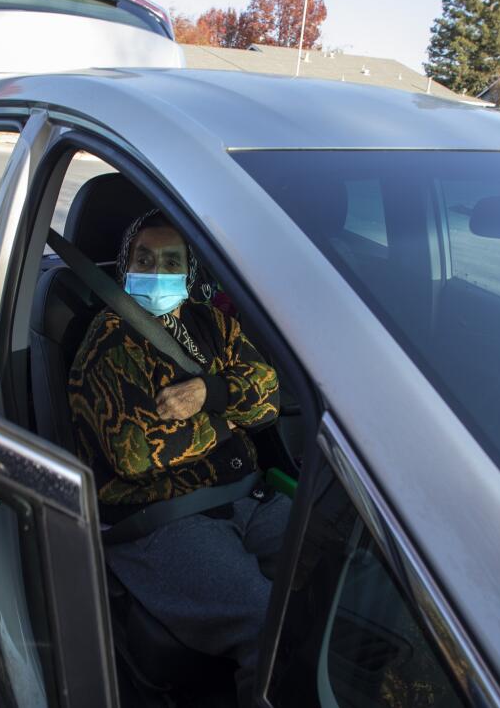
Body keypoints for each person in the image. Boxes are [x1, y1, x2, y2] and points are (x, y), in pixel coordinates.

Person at [68, 209, 287, 696]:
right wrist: (229, 414)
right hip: (161, 519)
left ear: (189, 270)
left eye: (171, 261)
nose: (157, 271)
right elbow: (138, 453)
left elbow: (269, 396)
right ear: (125, 265)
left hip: (245, 497)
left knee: (339, 560)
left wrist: (205, 396)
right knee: (267, 621)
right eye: (144, 258)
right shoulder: (108, 340)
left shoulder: (213, 324)